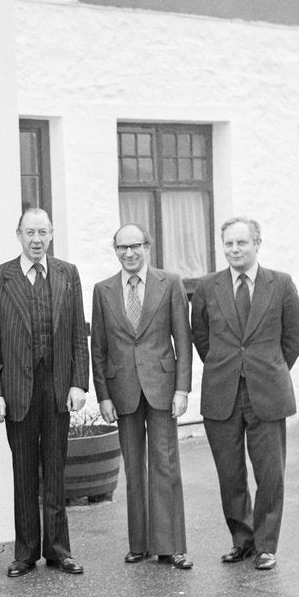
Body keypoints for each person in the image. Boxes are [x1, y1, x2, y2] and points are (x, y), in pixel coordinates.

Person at [190, 217, 299, 571]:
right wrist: (226, 367)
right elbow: (201, 337)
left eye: (242, 243)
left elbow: (293, 338)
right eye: (229, 244)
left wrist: (267, 368)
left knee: (270, 473)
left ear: (257, 244)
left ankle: (266, 545)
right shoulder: (208, 287)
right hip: (222, 392)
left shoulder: (281, 284)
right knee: (230, 473)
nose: (235, 250)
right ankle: (242, 540)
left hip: (267, 392)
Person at [0, 208, 89, 577]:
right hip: (17, 390)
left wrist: (79, 383)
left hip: (57, 386)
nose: (37, 239)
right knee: (24, 471)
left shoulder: (67, 274)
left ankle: (59, 550)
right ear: (19, 235)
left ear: (52, 234)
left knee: (56, 470)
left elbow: (78, 335)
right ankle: (25, 552)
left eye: (43, 232)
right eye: (30, 232)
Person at [91, 223, 193, 570]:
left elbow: (183, 339)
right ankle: (140, 544)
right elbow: (99, 349)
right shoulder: (103, 290)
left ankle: (171, 545)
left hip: (162, 388)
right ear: (115, 250)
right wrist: (103, 396)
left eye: (136, 246)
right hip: (124, 391)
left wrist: (182, 389)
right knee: (134, 469)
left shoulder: (170, 283)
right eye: (122, 248)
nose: (130, 253)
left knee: (165, 465)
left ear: (147, 247)